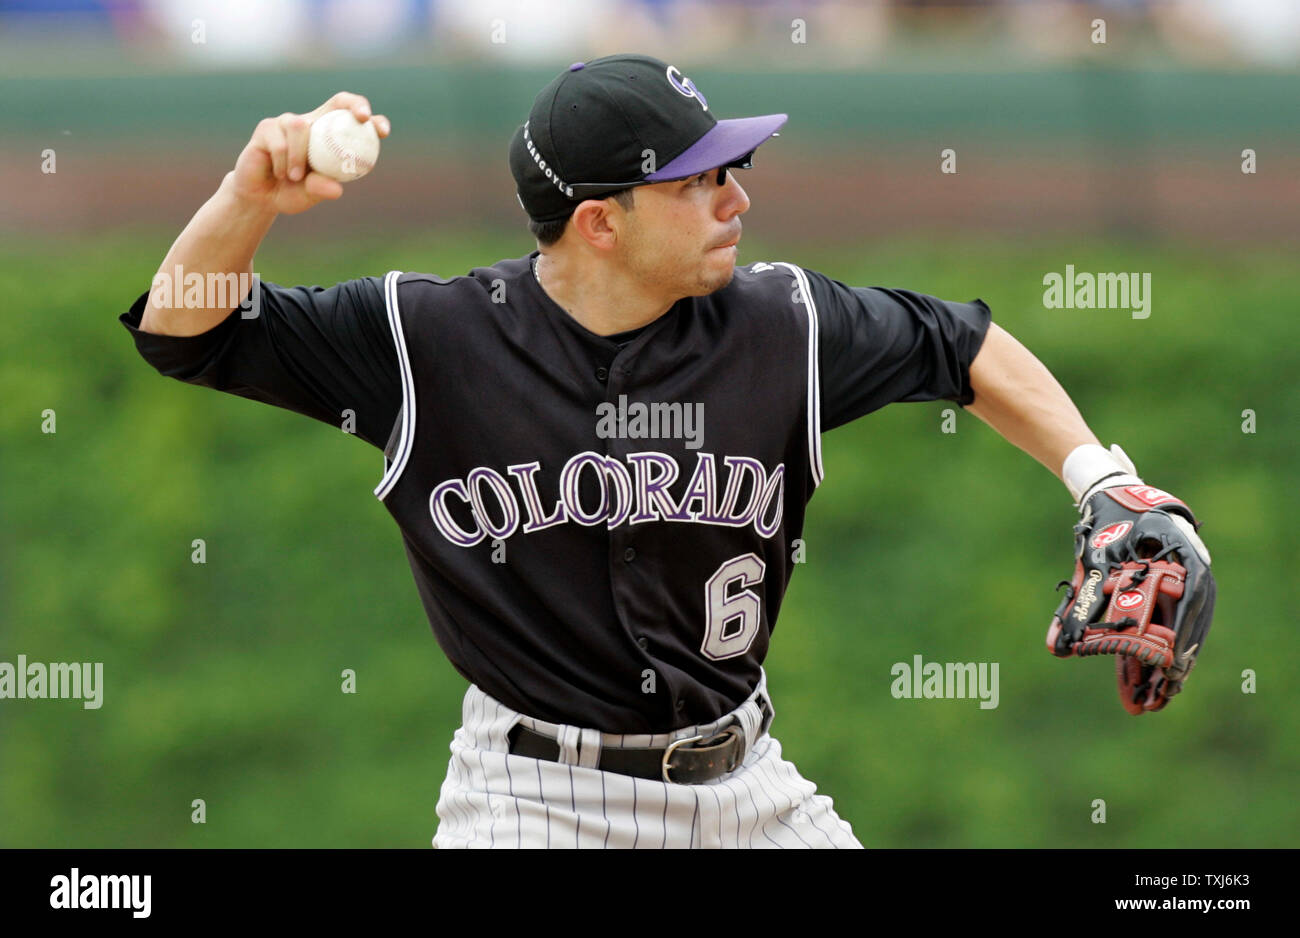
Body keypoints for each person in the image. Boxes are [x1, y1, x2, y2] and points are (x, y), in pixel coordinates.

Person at [120, 53, 1212, 849]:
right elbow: (189, 332)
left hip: (749, 789)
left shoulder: (782, 323)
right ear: (600, 221)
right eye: (698, 179)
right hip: (535, 806)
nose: (738, 196)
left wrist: (1100, 478)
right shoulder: (425, 339)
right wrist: (248, 197)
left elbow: (961, 346)